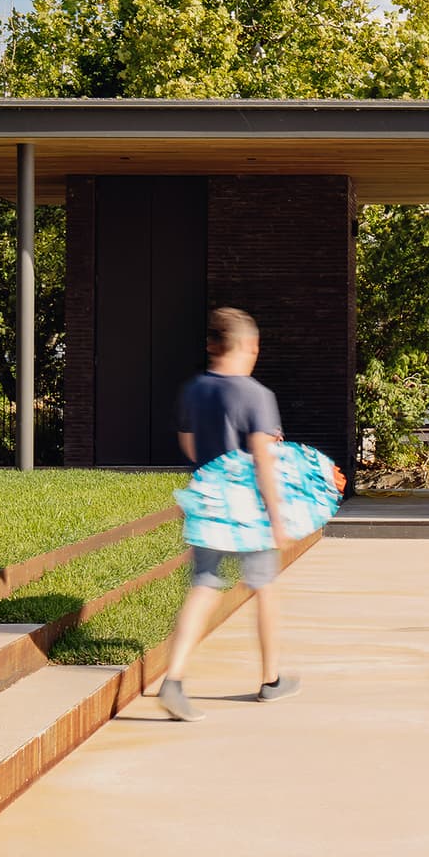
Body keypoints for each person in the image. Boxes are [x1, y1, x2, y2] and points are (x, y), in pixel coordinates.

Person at [156, 307, 338, 721]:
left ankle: (174, 680)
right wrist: (277, 518)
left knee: (203, 585)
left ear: (212, 345)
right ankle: (271, 680)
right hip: (247, 508)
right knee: (265, 587)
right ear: (250, 347)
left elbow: (188, 445)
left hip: (207, 499)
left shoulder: (195, 389)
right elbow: (263, 460)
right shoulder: (257, 395)